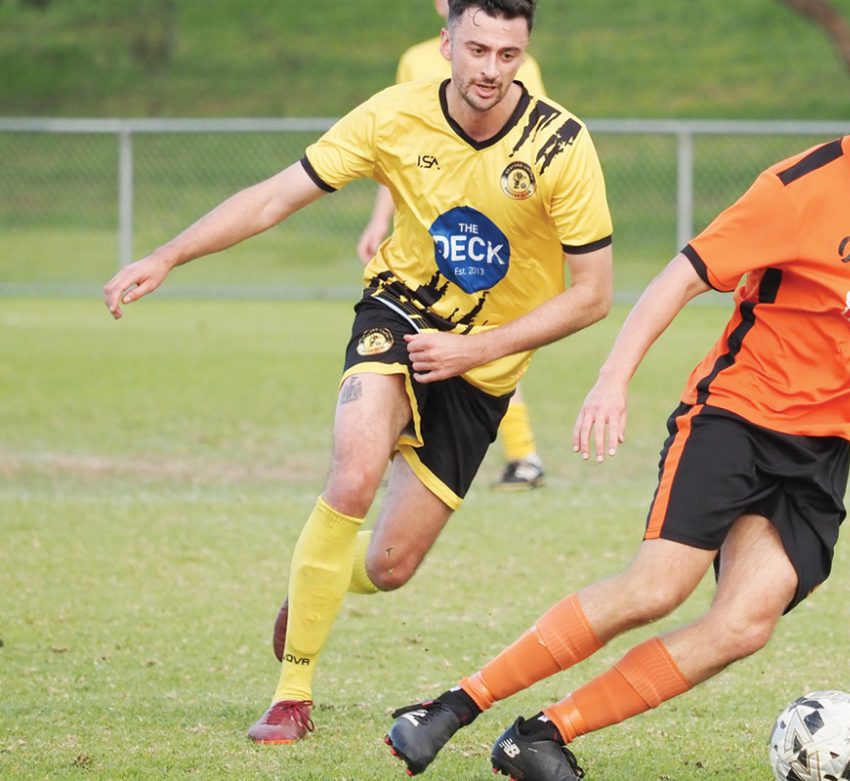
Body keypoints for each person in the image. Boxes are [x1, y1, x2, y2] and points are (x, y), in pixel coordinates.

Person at [382, 26, 850, 780]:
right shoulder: (798, 191)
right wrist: (613, 377)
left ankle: (541, 734)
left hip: (822, 448)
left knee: (744, 624)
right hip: (736, 418)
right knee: (656, 586)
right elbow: (682, 275)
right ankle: (453, 705)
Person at [102, 0, 614, 745]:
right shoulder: (393, 114)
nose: (490, 70)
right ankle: (291, 694)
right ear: (447, 43)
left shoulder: (560, 144)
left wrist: (476, 350)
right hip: (399, 316)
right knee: (352, 472)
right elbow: (278, 195)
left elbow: (593, 295)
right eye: (476, 49)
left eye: (508, 55)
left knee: (392, 563)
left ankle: (317, 581)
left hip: (482, 372)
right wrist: (166, 254)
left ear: (525, 53)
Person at [358, 0, 549, 491]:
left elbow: (533, 142)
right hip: (425, 236)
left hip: (485, 237)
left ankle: (524, 454)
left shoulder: (516, 62)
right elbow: (393, 148)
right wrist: (379, 220)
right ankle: (383, 450)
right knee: (405, 345)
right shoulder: (415, 59)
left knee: (487, 346)